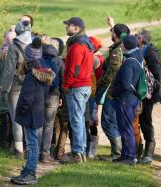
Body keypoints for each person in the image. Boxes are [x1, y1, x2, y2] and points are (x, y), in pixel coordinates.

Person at [11, 39, 55, 185]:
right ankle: (28, 170)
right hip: (37, 111)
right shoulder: (44, 72)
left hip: (30, 113)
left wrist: (21, 110)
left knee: (31, 144)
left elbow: (27, 98)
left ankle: (30, 172)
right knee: (32, 142)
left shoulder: (31, 75)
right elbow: (46, 93)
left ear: (28, 56)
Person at [61, 17, 94, 163]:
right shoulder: (86, 43)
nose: (66, 28)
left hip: (77, 86)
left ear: (76, 28)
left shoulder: (77, 46)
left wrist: (66, 85)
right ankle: (81, 153)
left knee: (76, 120)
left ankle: (78, 153)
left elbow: (74, 69)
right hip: (84, 85)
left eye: (68, 25)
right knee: (79, 119)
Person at [96, 23, 130, 159]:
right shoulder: (125, 46)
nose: (111, 34)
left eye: (112, 32)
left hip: (112, 92)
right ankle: (117, 152)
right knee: (114, 122)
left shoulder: (117, 51)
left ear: (115, 35)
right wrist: (113, 24)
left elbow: (110, 75)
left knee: (108, 122)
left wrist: (99, 86)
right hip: (119, 92)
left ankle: (117, 153)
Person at [110, 35, 143, 165]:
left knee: (126, 128)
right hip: (130, 99)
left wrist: (113, 91)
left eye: (122, 44)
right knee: (126, 127)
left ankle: (129, 157)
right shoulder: (137, 57)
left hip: (126, 99)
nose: (121, 46)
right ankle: (125, 155)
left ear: (125, 46)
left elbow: (126, 84)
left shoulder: (129, 62)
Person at [4, 19, 33, 157]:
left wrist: (4, 89)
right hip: (32, 85)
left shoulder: (14, 46)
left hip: (16, 86)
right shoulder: (35, 44)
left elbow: (9, 71)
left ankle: (19, 149)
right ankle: (33, 148)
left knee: (17, 118)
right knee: (29, 117)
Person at [136, 29, 161, 164]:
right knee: (137, 120)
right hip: (139, 91)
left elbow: (157, 75)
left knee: (145, 120)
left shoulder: (151, 52)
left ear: (141, 39)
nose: (135, 38)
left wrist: (156, 94)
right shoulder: (140, 49)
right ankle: (137, 150)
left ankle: (149, 152)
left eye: (137, 36)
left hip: (148, 93)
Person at [37, 43, 64, 162]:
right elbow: (61, 80)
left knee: (38, 124)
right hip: (54, 96)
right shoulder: (57, 64)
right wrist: (61, 96)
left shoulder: (38, 63)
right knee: (49, 125)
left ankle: (35, 151)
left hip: (40, 95)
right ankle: (45, 154)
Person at [0, 29, 16, 150]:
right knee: (13, 120)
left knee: (4, 120)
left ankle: (3, 145)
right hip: (15, 92)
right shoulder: (19, 55)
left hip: (2, 92)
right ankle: (13, 144)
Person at [86, 36, 104, 158]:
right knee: (86, 120)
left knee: (92, 121)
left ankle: (93, 148)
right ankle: (87, 147)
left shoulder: (98, 60)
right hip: (89, 92)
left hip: (93, 94)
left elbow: (99, 78)